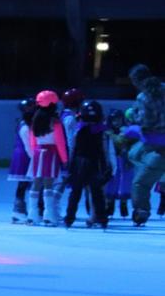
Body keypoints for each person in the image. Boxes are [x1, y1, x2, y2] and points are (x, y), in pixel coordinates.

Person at [126, 64, 165, 226]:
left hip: (157, 146)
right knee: (134, 153)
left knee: (140, 182)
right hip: (154, 147)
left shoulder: (143, 97)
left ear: (136, 80)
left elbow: (145, 122)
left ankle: (142, 211)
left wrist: (133, 117)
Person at [63, 100, 111, 229]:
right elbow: (105, 150)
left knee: (76, 192)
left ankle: (69, 218)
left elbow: (73, 148)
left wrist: (69, 165)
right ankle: (102, 218)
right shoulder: (102, 130)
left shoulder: (79, 129)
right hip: (95, 163)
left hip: (80, 163)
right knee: (96, 193)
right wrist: (107, 166)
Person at [26, 90, 68, 226]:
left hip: (38, 152)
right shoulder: (55, 122)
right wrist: (65, 159)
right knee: (48, 183)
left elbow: (32, 142)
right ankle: (48, 214)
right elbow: (60, 143)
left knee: (36, 182)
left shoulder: (35, 121)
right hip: (51, 152)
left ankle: (32, 214)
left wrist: (34, 155)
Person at [7, 98, 36, 223]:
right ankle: (19, 210)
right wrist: (35, 158)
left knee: (24, 184)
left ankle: (20, 210)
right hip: (25, 156)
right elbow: (28, 145)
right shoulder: (25, 126)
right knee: (24, 184)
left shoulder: (26, 124)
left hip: (24, 154)